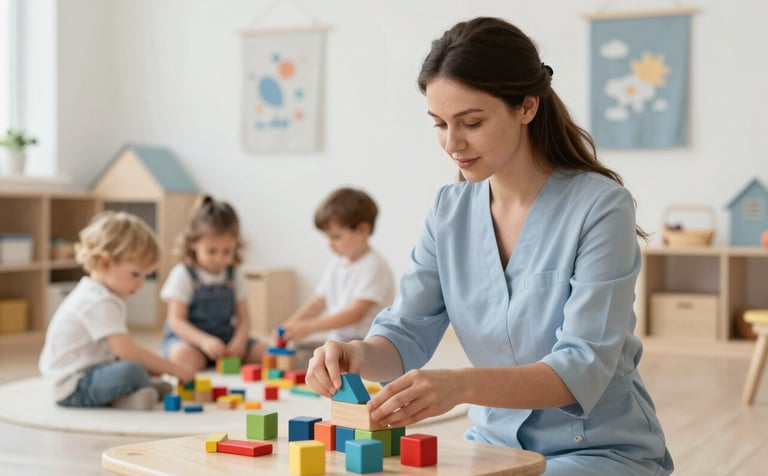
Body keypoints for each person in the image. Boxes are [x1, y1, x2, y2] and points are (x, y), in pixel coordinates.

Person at [305, 17, 674, 475]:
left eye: (471, 122)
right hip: (494, 447)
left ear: (526, 107)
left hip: (597, 450)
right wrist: (357, 353)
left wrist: (459, 385)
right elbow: (405, 333)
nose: (452, 143)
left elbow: (583, 363)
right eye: (439, 124)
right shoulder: (448, 210)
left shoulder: (600, 207)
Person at [39, 211, 195, 411]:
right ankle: (132, 392)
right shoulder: (97, 301)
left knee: (138, 366)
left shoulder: (103, 294)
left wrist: (156, 368)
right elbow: (127, 352)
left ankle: (133, 394)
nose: (140, 284)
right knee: (132, 368)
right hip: (72, 387)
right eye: (135, 274)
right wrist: (174, 369)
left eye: (146, 276)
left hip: (94, 372)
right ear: (105, 263)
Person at [278, 187, 395, 351]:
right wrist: (290, 325)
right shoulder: (338, 262)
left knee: (315, 361)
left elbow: (355, 314)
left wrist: (309, 327)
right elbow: (319, 302)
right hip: (339, 341)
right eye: (328, 237)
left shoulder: (375, 266)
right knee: (296, 352)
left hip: (366, 344)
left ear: (363, 230)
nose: (330, 244)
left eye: (336, 237)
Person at [161, 195, 266, 371]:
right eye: (211, 251)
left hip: (226, 340)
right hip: (190, 341)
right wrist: (203, 341)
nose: (219, 258)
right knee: (184, 358)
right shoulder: (183, 274)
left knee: (267, 353)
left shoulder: (235, 274)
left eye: (227, 251)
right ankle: (206, 359)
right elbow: (176, 321)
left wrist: (239, 342)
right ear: (194, 243)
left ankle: (225, 359)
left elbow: (244, 318)